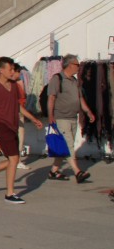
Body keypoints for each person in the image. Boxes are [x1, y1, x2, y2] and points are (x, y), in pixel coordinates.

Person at [0, 57, 43, 204]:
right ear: (1, 70)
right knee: (14, 159)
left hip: (13, 126)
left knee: (12, 160)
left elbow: (18, 107)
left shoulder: (14, 86)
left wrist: (33, 119)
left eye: (13, 69)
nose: (13, 72)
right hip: (1, 126)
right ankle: (10, 194)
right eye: (10, 69)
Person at [47, 54, 95, 183]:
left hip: (73, 118)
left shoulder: (74, 81)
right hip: (61, 118)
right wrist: (50, 115)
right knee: (68, 146)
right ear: (69, 65)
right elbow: (51, 98)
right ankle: (77, 172)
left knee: (66, 147)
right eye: (77, 65)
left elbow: (80, 99)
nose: (78, 67)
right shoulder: (57, 79)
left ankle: (54, 171)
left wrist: (88, 112)